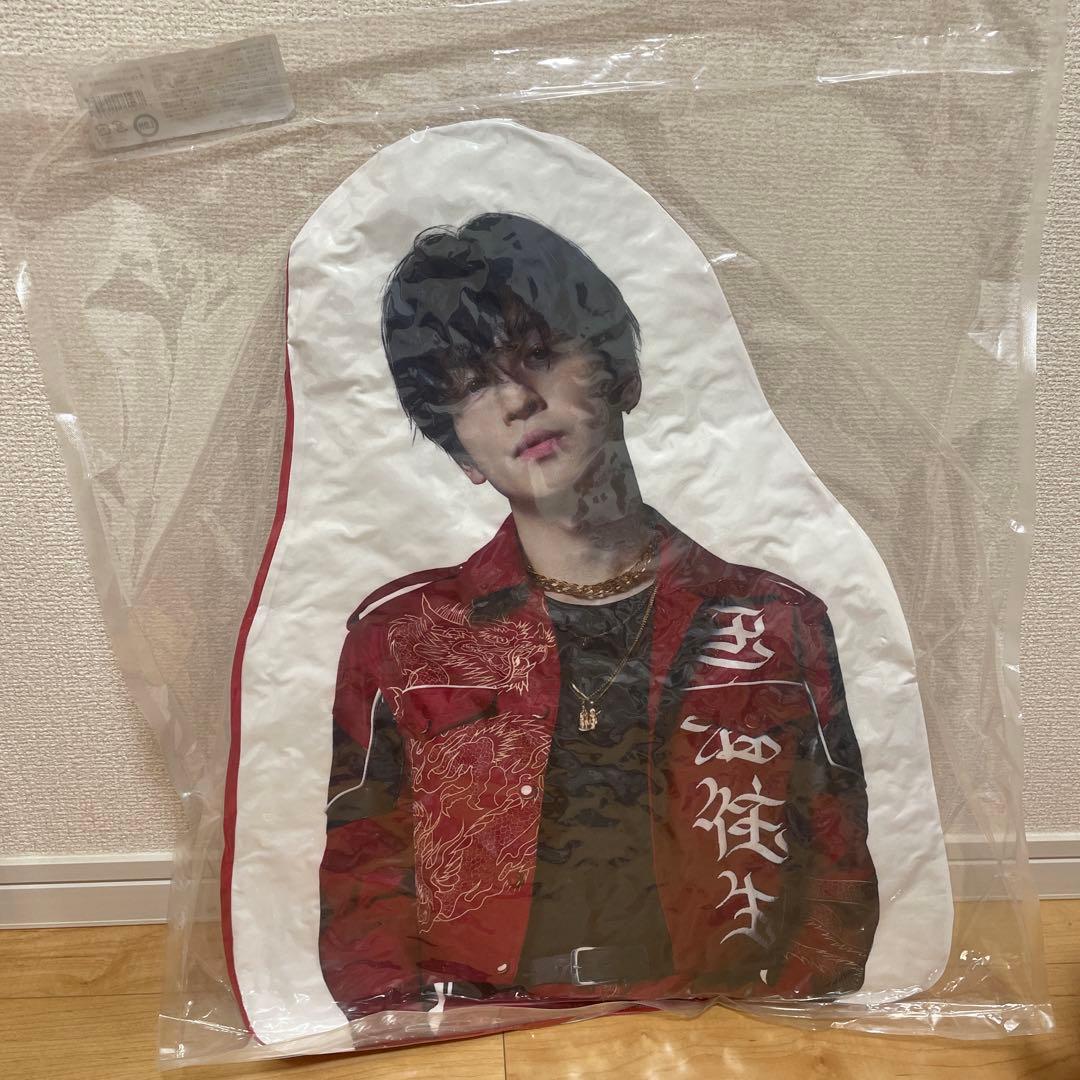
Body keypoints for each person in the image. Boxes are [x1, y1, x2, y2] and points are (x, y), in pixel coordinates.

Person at [318, 212, 878, 1018]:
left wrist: (770, 1033)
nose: (517, 398)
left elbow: (837, 868)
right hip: (479, 1030)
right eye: (471, 385)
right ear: (460, 451)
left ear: (622, 375)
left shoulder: (774, 621)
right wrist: (406, 1035)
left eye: (540, 354)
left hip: (717, 1025)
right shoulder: (399, 638)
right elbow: (362, 873)